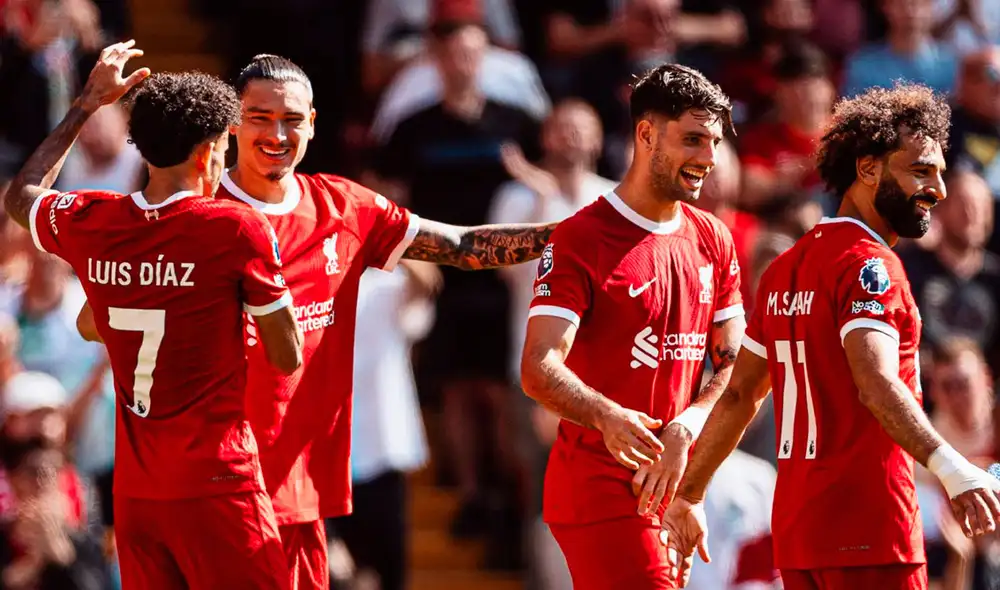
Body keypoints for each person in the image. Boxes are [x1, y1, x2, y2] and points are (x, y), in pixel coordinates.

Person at [212, 54, 557, 590]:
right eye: (260, 117)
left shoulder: (341, 207)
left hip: (303, 489)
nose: (277, 134)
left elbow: (464, 247)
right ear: (233, 120)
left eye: (293, 119)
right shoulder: (196, 215)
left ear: (314, 123)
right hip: (219, 486)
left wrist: (583, 231)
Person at [660, 84, 1000, 590]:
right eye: (921, 170)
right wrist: (954, 468)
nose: (939, 190)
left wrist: (689, 495)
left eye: (941, 173)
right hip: (872, 532)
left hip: (802, 539)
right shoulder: (871, 267)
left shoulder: (785, 269)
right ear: (868, 169)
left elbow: (739, 394)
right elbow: (877, 384)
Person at [2, 41, 304, 590]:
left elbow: (22, 196)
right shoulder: (233, 229)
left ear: (141, 149)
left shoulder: (93, 219)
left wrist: (86, 104)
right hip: (218, 483)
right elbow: (288, 354)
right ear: (209, 152)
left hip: (137, 494)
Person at [519, 63, 746, 590]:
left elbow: (734, 369)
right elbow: (537, 366)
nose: (708, 159)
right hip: (598, 490)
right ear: (645, 134)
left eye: (713, 142)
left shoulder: (713, 237)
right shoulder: (582, 238)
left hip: (666, 488)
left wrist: (688, 456)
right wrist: (606, 415)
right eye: (692, 139)